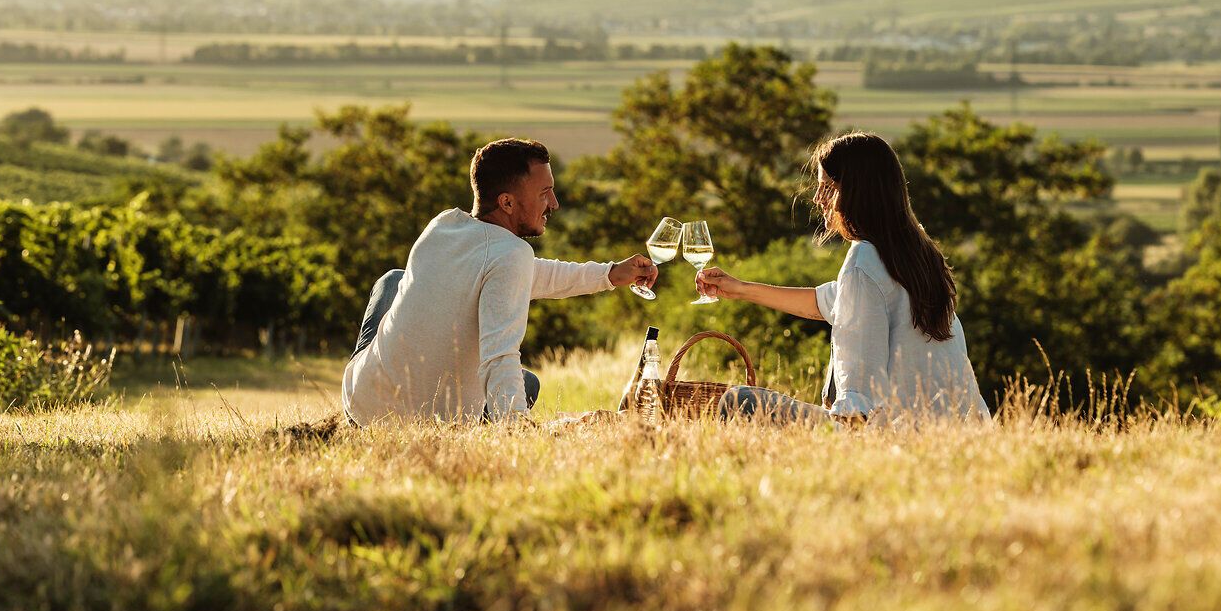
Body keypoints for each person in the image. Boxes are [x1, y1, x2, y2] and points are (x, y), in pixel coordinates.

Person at [341, 138, 657, 425]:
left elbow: (525, 274)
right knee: (526, 383)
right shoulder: (511, 253)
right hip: (431, 424)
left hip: (362, 405)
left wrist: (611, 273)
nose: (555, 203)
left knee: (394, 280)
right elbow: (500, 355)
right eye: (545, 193)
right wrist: (516, 425)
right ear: (506, 203)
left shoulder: (442, 225)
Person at [693, 131, 990, 424]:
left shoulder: (863, 260)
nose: (818, 198)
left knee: (739, 401)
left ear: (857, 191)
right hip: (958, 429)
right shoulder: (916, 254)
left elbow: (859, 397)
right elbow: (825, 303)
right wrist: (739, 289)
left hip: (891, 436)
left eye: (827, 187)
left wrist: (835, 430)